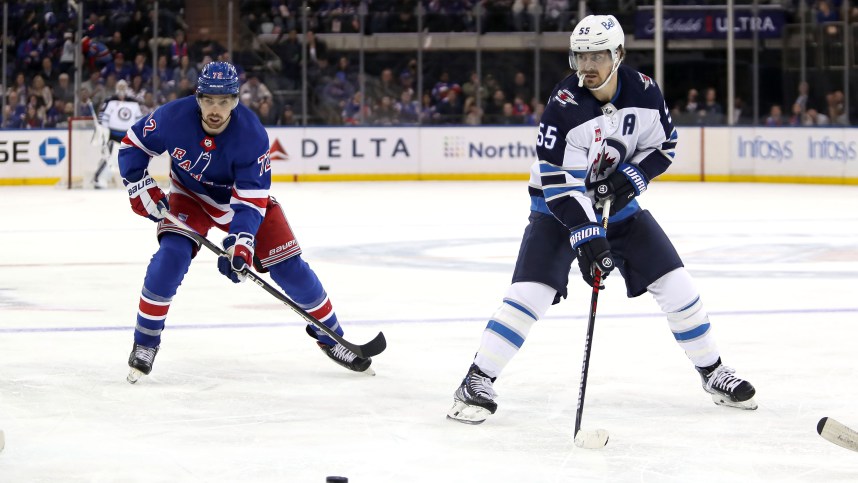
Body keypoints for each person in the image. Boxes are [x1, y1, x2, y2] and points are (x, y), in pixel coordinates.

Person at [447, 15, 757, 425]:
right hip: (556, 209)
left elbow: (664, 146)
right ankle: (476, 379)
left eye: (597, 55)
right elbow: (558, 184)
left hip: (620, 209)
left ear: (619, 54)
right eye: (580, 56)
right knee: (531, 292)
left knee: (676, 283)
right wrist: (588, 236)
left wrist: (633, 177)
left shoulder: (645, 92)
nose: (587, 66)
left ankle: (713, 372)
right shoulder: (565, 105)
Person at [118, 62, 373, 383]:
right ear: (197, 98)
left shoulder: (251, 135)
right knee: (171, 257)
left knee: (290, 268)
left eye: (224, 101)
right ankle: (145, 342)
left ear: (236, 101)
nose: (215, 109)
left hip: (238, 204)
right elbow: (133, 145)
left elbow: (251, 203)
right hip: (189, 197)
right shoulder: (172, 117)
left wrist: (241, 246)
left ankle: (332, 336)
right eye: (209, 100)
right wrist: (139, 185)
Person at [93, 79, 144, 189]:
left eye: (123, 87)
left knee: (135, 157)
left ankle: (139, 180)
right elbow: (103, 116)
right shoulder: (110, 100)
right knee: (109, 156)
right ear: (116, 88)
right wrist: (104, 131)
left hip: (128, 135)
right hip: (112, 134)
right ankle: (98, 178)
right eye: (119, 87)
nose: (121, 89)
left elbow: (139, 119)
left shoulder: (133, 102)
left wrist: (139, 134)